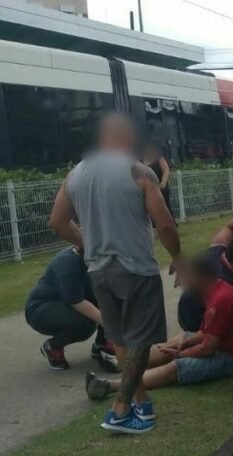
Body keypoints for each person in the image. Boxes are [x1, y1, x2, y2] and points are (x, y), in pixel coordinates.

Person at [49, 113, 183, 434]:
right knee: (139, 340)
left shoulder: (76, 174)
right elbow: (164, 222)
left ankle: (142, 405)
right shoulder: (137, 171)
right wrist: (178, 256)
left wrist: (86, 242)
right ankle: (123, 407)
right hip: (136, 267)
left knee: (121, 339)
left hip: (99, 270)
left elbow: (57, 221)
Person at [85, 254, 233, 399]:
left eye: (189, 276)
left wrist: (179, 354)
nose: (184, 281)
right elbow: (205, 333)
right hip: (223, 345)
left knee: (177, 366)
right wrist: (183, 345)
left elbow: (208, 348)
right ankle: (122, 364)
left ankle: (110, 386)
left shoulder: (220, 300)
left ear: (201, 277)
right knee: (179, 339)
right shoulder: (215, 290)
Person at [177, 199, 233, 332]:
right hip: (199, 326)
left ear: (229, 245)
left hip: (183, 309)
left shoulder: (216, 250)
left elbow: (230, 228)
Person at [25, 246, 118, 372]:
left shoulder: (98, 260)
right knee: (85, 324)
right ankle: (52, 347)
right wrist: (110, 324)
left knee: (110, 299)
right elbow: (77, 302)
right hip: (41, 308)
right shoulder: (67, 263)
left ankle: (102, 344)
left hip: (68, 303)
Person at [142, 143, 174, 220]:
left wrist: (163, 182)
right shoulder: (141, 161)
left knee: (164, 206)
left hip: (160, 187)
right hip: (148, 189)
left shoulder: (159, 159)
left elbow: (166, 170)